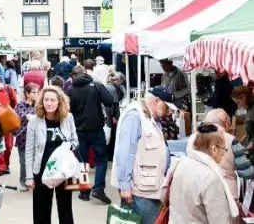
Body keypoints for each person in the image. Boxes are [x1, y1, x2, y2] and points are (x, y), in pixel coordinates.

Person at [111, 88, 170, 224]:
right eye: (167, 107)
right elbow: (125, 152)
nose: (169, 112)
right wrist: (125, 185)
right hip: (139, 191)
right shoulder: (134, 116)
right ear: (157, 101)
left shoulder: (149, 116)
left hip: (148, 187)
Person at [24, 85, 78, 224]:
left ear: (59, 102)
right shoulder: (35, 121)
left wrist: (68, 146)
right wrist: (29, 176)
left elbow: (75, 141)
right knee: (41, 211)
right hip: (42, 171)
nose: (49, 103)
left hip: (64, 171)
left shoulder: (68, 117)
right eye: (46, 99)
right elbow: (29, 150)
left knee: (65, 209)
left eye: (53, 100)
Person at [168, 123, 239, 223]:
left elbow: (164, 195)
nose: (224, 153)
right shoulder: (211, 178)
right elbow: (219, 220)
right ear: (214, 149)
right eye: (224, 149)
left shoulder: (180, 163)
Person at [66, 65, 113, 204]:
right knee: (101, 159)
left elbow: (67, 110)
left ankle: (84, 191)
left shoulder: (70, 89)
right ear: (85, 73)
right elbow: (109, 101)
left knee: (81, 161)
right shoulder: (97, 85)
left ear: (73, 75)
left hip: (79, 129)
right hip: (96, 128)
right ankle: (98, 188)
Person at [187, 108, 253, 200]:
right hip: (226, 197)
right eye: (229, 123)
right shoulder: (231, 140)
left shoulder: (192, 138)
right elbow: (247, 172)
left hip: (197, 195)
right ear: (226, 122)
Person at [0, 72, 18, 174]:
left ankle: (6, 164)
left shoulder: (8, 90)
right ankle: (1, 166)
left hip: (7, 122)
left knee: (8, 145)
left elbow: (15, 104)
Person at [15, 83, 40, 191]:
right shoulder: (20, 105)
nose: (36, 94)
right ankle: (23, 181)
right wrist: (31, 117)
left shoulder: (39, 105)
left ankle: (35, 181)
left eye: (38, 92)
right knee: (23, 161)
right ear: (27, 93)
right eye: (34, 92)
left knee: (36, 160)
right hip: (23, 137)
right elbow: (22, 116)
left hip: (37, 137)